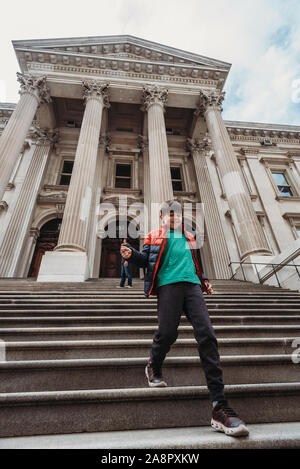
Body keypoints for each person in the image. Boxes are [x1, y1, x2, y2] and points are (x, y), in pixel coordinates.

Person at [120, 199, 249, 437]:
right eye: (169, 214)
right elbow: (145, 260)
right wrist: (131, 254)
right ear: (162, 217)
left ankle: (219, 407)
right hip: (168, 285)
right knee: (168, 333)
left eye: (177, 214)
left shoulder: (190, 237)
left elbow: (195, 263)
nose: (174, 217)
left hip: (192, 287)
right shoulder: (153, 236)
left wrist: (205, 281)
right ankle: (154, 365)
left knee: (207, 336)